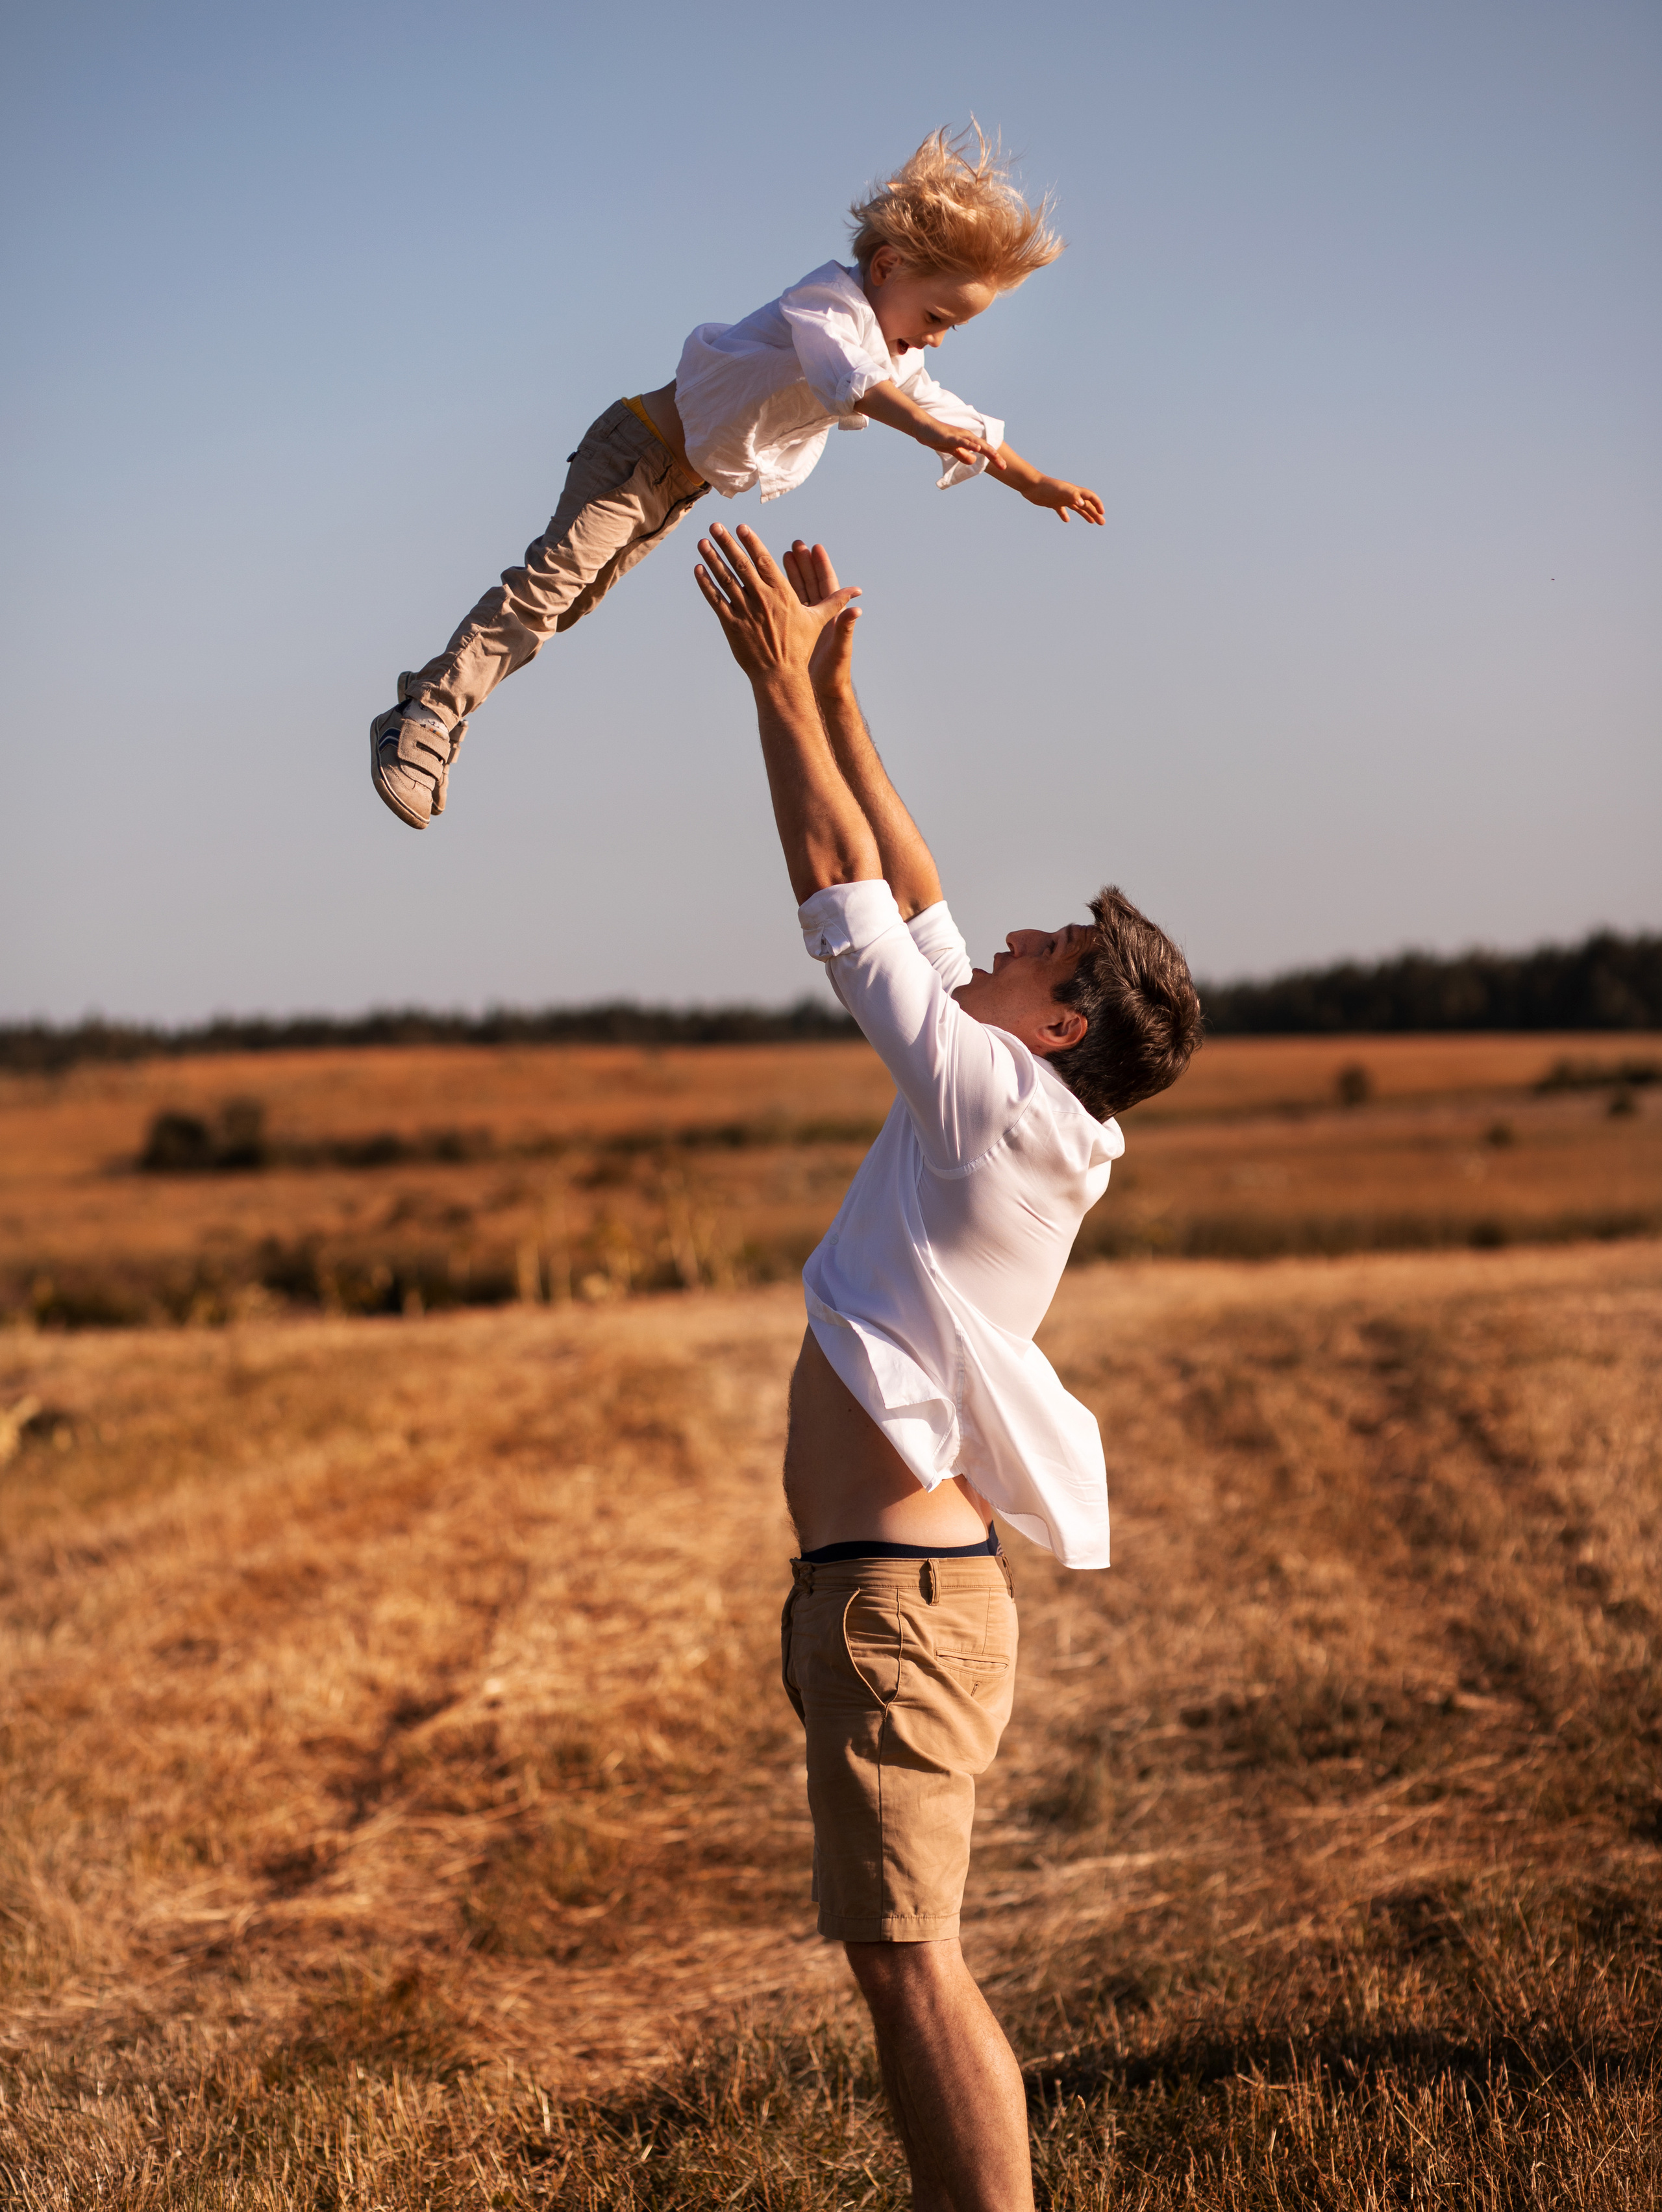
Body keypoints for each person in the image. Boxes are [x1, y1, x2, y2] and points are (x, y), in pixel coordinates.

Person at [692, 521, 1202, 2210]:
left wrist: (774, 687)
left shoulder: (989, 1104)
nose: (1004, 935)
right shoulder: (1033, 1111)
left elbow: (849, 903)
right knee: (900, 1953)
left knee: (914, 1961)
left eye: (1041, 950)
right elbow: (917, 902)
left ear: (1057, 1023)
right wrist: (843, 696)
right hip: (885, 1591)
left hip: (896, 1601)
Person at [371, 127, 1104, 831]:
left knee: (571, 606)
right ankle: (427, 714)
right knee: (548, 589)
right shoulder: (828, 305)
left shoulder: (893, 355)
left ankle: (441, 695)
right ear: (886, 268)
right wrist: (919, 428)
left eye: (952, 329)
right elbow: (849, 378)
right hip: (634, 453)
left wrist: (1032, 481)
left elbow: (953, 413)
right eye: (937, 316)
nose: (937, 339)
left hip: (676, 488)